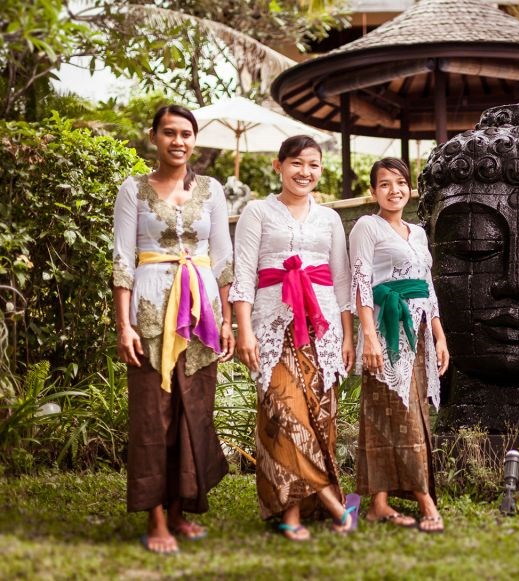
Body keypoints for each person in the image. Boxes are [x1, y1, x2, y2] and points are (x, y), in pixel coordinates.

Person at [112, 105, 234, 554]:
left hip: (201, 317)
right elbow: (122, 259)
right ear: (154, 137)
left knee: (193, 409)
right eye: (169, 133)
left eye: (186, 133)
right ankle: (156, 517)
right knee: (153, 413)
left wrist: (227, 320)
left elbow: (223, 258)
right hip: (149, 311)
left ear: (194, 140)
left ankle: (180, 509)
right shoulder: (133, 189)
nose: (178, 141)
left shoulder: (212, 189)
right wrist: (123, 325)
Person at [230, 135, 358, 541]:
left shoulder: (330, 218)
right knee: (285, 416)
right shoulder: (257, 212)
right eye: (297, 163)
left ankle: (303, 510)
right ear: (279, 166)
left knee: (320, 418)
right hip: (272, 328)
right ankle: (329, 504)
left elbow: (341, 280)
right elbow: (244, 275)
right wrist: (244, 331)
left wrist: (348, 336)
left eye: (313, 164)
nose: (305, 172)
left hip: (322, 330)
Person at [349, 157, 450, 533]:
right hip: (386, 330)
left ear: (410, 188)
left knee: (402, 412)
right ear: (373, 191)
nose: (394, 190)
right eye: (385, 184)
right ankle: (424, 499)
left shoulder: (418, 233)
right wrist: (369, 337)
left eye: (401, 183)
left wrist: (439, 335)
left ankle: (378, 504)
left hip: (419, 330)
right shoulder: (366, 226)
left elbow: (428, 285)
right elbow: (360, 282)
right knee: (393, 411)